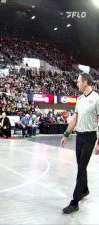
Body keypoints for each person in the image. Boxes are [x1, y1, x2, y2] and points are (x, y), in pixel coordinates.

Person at [61, 73, 99, 214]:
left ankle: (75, 202)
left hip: (90, 137)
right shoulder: (80, 99)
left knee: (81, 168)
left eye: (78, 81)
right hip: (79, 137)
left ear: (85, 82)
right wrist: (66, 134)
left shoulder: (96, 99)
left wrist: (98, 142)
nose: (77, 84)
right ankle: (84, 190)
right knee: (81, 167)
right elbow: (75, 119)